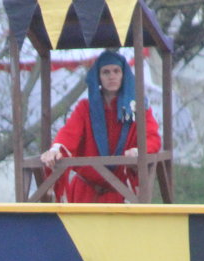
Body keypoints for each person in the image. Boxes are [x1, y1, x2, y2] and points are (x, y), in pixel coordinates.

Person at [39, 50, 161, 203]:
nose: (112, 76)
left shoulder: (138, 108)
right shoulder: (85, 108)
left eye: (116, 71)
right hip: (84, 192)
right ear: (98, 77)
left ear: (124, 75)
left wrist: (139, 151)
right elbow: (69, 133)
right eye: (106, 72)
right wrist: (55, 150)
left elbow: (153, 138)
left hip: (119, 193)